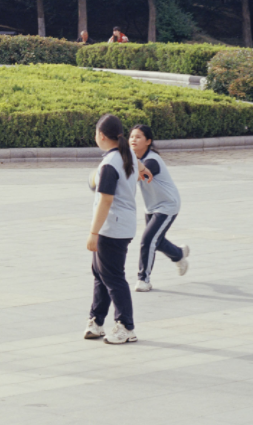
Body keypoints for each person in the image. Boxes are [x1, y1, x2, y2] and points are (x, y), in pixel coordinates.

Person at [84, 114, 138, 345]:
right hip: (122, 225)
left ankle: (126, 326)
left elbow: (105, 200)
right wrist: (142, 171)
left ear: (102, 136)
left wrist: (93, 233)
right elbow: (139, 165)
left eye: (96, 133)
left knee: (113, 277)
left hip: (111, 228)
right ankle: (96, 322)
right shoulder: (127, 155)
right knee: (101, 274)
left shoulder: (109, 164)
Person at [129, 124, 189, 291]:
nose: (133, 139)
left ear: (148, 141)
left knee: (148, 240)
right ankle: (179, 254)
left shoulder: (152, 160)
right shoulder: (134, 157)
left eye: (138, 137)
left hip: (167, 205)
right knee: (157, 240)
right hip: (152, 206)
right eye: (132, 136)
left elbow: (140, 174)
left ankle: (144, 279)